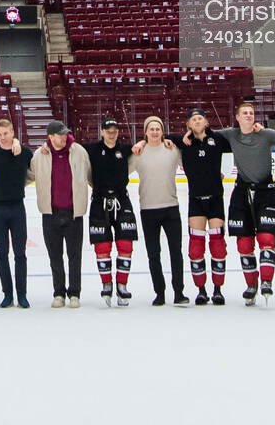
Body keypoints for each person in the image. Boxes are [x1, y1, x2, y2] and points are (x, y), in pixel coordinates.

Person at [223, 101, 275, 305]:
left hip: (265, 192)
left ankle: (267, 281)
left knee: (267, 238)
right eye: (245, 113)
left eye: (251, 113)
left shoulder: (266, 134)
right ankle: (251, 285)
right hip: (242, 193)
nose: (249, 115)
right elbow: (203, 132)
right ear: (237, 117)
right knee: (244, 243)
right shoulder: (231, 135)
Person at [30, 120, 90, 308]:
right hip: (50, 213)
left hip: (74, 213)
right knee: (54, 256)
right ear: (50, 136)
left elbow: (90, 174)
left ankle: (74, 293)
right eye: (59, 134)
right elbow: (28, 175)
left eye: (65, 134)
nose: (63, 137)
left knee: (74, 255)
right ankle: (59, 292)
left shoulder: (79, 151)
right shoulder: (40, 155)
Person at [177, 108, 232, 304]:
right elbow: (158, 136)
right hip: (196, 201)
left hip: (216, 199)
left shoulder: (217, 139)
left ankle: (218, 289)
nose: (197, 121)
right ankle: (201, 290)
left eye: (200, 118)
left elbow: (238, 135)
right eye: (193, 119)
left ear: (207, 122)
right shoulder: (183, 143)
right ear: (188, 125)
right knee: (195, 248)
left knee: (218, 246)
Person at [130, 115, 186, 306]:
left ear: (163, 131)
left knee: (175, 252)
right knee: (153, 254)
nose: (155, 132)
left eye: (158, 129)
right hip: (148, 209)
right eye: (151, 129)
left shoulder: (172, 149)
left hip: (171, 208)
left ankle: (179, 292)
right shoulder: (138, 153)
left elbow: (189, 163)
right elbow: (120, 170)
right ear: (145, 132)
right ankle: (159, 292)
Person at [85, 117, 138, 306]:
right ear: (102, 132)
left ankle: (122, 285)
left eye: (114, 130)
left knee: (125, 244)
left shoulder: (124, 150)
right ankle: (106, 284)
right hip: (99, 201)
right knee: (102, 246)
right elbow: (70, 146)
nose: (111, 133)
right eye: (108, 130)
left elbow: (146, 145)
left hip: (121, 200)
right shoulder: (91, 149)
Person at [0, 117, 31, 308]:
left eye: (6, 134)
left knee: (20, 253)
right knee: (2, 253)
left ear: (13, 133)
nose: (3, 137)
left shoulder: (24, 152)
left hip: (17, 207)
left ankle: (22, 294)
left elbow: (39, 161)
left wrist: (18, 144)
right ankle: (8, 293)